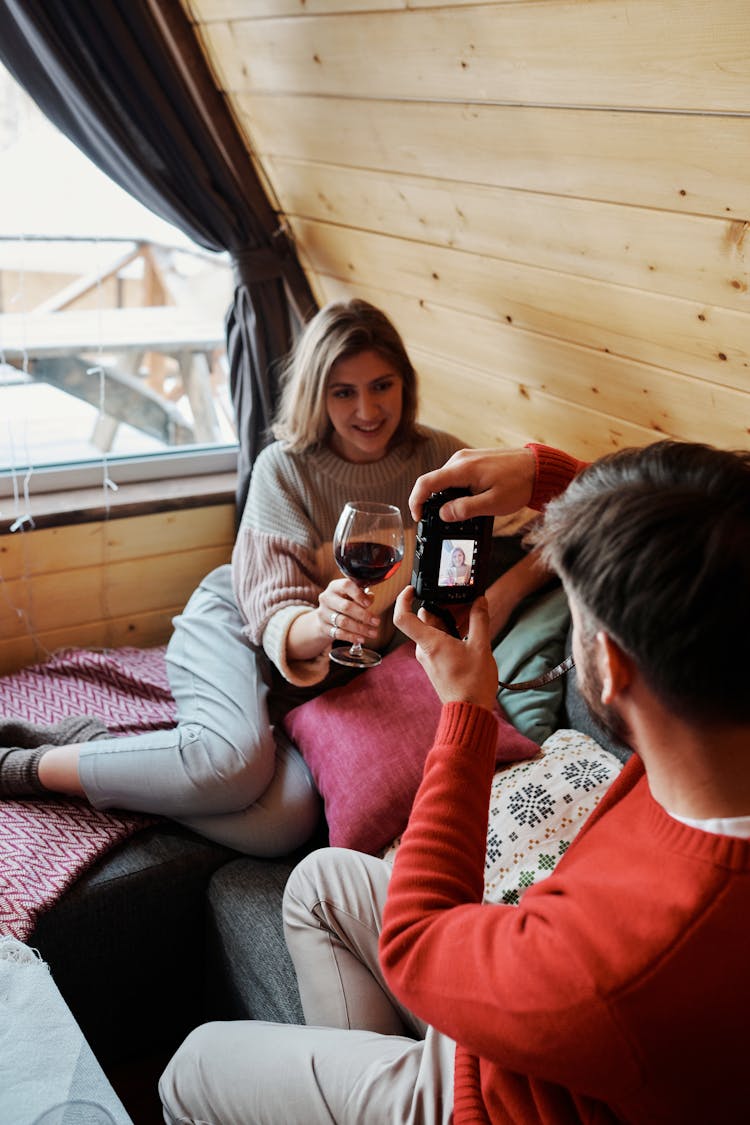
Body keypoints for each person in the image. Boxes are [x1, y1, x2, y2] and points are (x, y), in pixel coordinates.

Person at [159, 438, 750, 1124]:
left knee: (192, 1065)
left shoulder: (627, 961)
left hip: (495, 1097)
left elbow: (414, 943)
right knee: (319, 883)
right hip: (529, 1016)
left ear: (612, 667)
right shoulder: (711, 725)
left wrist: (466, 710)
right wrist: (545, 475)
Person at [0, 300, 545, 856]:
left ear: (405, 384)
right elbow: (274, 611)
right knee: (234, 767)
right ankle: (33, 766)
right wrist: (327, 622)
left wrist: (511, 588)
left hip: (312, 681)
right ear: (316, 394)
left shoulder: (442, 458)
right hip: (242, 619)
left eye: (382, 386)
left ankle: (116, 759)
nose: (368, 409)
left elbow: (545, 526)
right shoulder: (284, 467)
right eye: (343, 392)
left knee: (281, 826)